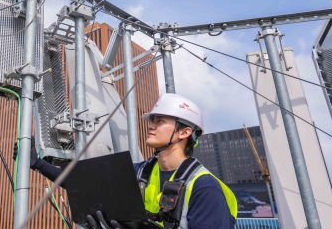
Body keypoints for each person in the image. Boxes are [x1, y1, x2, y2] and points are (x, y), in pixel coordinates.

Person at [27, 93, 237, 229]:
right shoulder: (140, 173)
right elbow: (82, 182)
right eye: (152, 120)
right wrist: (37, 163)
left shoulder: (204, 188)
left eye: (160, 121)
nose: (151, 126)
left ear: (184, 132)